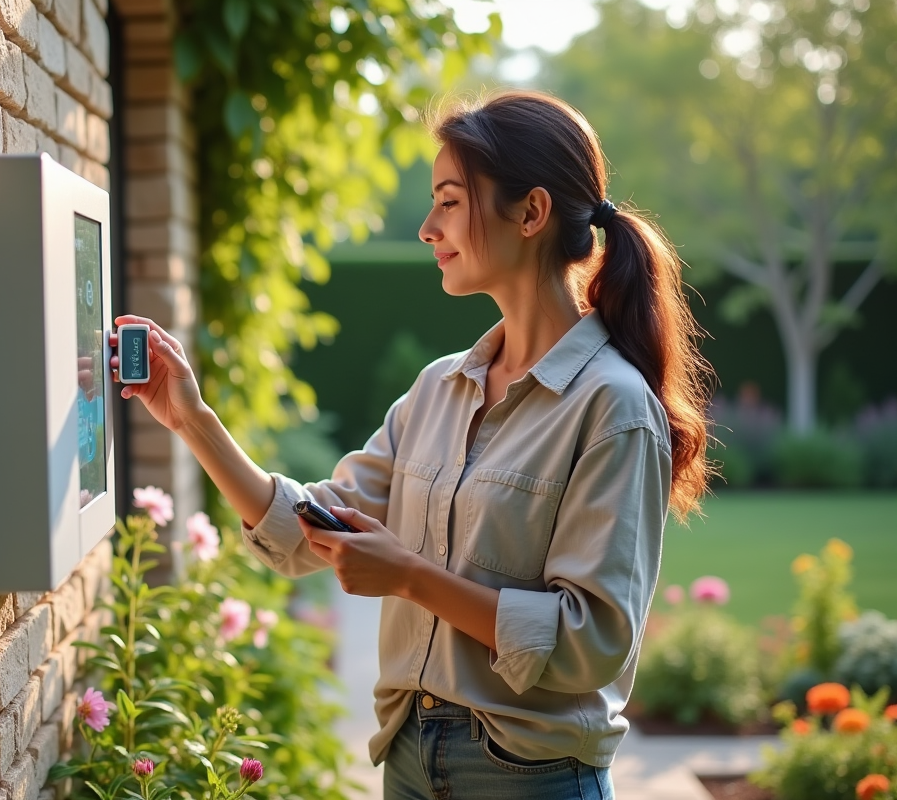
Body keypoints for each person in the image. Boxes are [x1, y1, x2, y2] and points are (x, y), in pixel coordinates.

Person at [109, 90, 712, 800]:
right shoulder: (437, 390)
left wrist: (408, 577)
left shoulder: (613, 407)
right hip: (409, 762)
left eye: (450, 201)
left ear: (532, 212)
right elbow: (308, 531)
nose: (427, 227)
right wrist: (192, 420)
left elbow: (589, 641)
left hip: (531, 779)